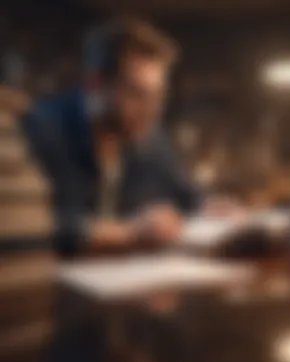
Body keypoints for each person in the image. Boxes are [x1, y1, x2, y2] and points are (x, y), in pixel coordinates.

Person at [23, 19, 200, 258]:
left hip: (124, 281)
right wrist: (129, 232)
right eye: (137, 93)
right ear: (95, 83)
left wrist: (211, 206)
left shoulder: (149, 135)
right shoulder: (41, 128)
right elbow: (28, 227)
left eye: (158, 96)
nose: (152, 110)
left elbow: (188, 198)